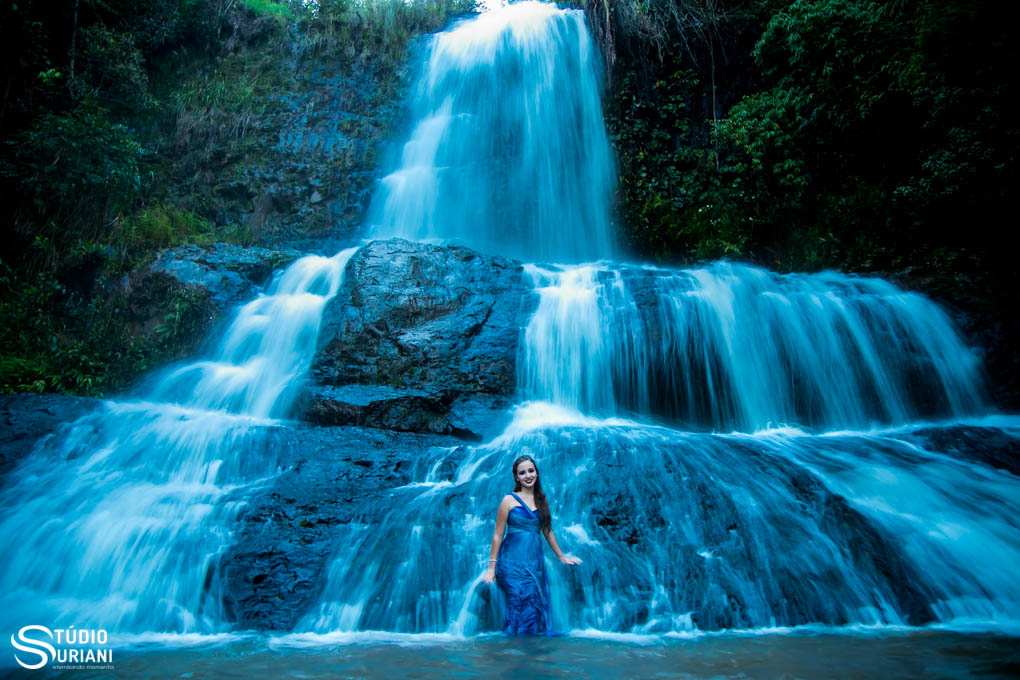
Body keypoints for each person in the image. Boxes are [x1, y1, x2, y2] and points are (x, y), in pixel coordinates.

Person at [482, 455, 581, 635]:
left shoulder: (542, 500)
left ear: (536, 472)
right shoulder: (508, 501)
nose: (528, 475)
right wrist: (491, 568)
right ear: (516, 477)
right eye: (522, 473)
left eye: (531, 471)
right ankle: (513, 650)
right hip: (511, 563)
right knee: (519, 600)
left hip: (534, 563)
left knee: (534, 605)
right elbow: (497, 536)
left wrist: (562, 556)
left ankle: (531, 653)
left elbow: (548, 530)